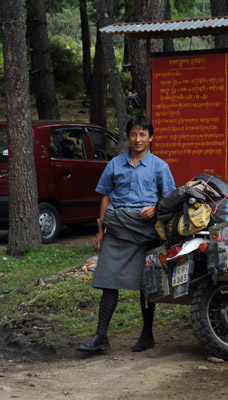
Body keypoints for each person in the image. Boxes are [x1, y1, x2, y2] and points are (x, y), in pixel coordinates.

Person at [77, 115, 175, 353]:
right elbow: (105, 196)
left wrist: (156, 208)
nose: (138, 139)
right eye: (133, 134)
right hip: (117, 229)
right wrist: (100, 230)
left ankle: (147, 335)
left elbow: (170, 200)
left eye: (143, 134)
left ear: (151, 137)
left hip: (145, 232)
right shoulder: (115, 164)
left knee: (145, 284)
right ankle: (101, 336)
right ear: (128, 137)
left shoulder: (160, 166)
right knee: (108, 280)